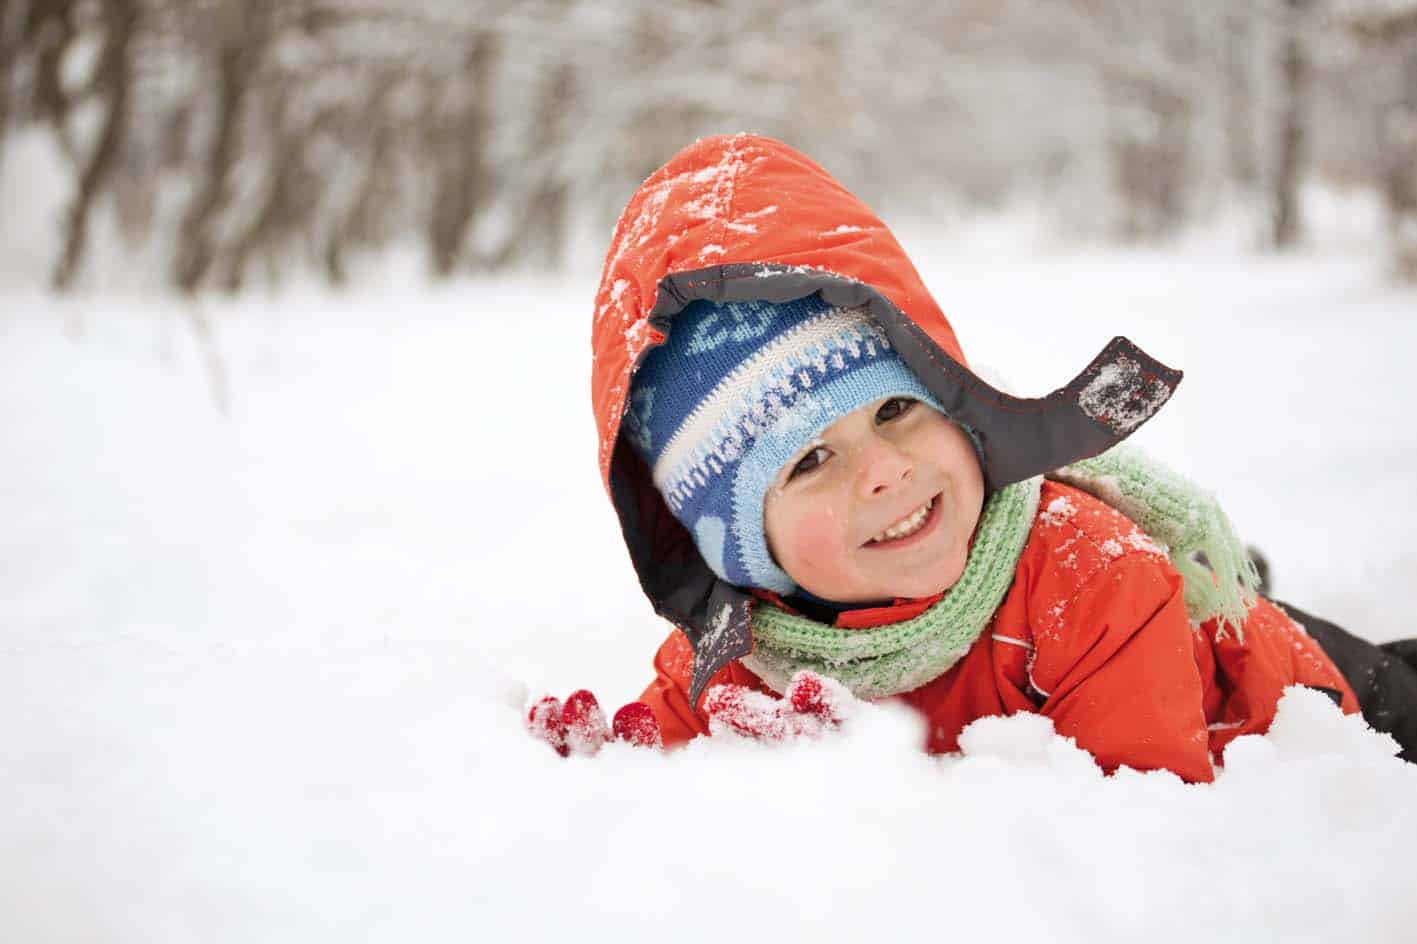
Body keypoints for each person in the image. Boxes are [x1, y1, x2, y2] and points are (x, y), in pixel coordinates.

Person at [529, 133, 1417, 779]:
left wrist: (885, 809)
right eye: (807, 463)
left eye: (894, 410)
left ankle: (1240, 588)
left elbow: (1136, 831)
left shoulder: (1085, 577)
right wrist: (606, 771)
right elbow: (663, 768)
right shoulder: (736, 655)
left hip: (1312, 698)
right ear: (733, 549)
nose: (882, 469)